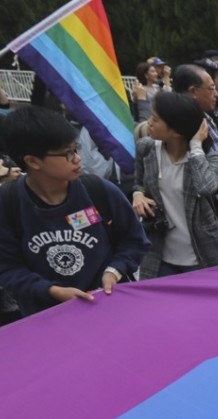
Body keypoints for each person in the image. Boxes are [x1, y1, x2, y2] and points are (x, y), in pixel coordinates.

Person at [0, 106, 148, 316]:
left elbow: (134, 240)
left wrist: (114, 271)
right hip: (47, 319)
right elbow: (8, 268)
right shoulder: (9, 202)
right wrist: (52, 291)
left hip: (109, 308)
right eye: (67, 154)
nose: (77, 159)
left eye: (75, 149)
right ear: (33, 161)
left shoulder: (98, 190)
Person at [132, 92, 218, 279]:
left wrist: (195, 146)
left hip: (204, 252)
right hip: (160, 253)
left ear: (176, 131)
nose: (149, 123)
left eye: (155, 119)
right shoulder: (146, 148)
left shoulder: (206, 157)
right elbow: (139, 182)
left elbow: (205, 187)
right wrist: (138, 195)